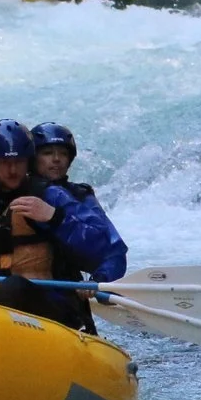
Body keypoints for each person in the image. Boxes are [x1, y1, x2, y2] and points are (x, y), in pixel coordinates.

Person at [0, 119, 119, 332]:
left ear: (28, 162)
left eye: (19, 162)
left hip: (53, 308)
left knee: (12, 287)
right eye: (4, 162)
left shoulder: (52, 196)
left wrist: (55, 218)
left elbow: (103, 249)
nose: (12, 170)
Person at [29, 121, 128, 283]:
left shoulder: (81, 196)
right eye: (47, 153)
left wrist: (99, 279)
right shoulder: (5, 189)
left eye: (63, 154)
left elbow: (114, 250)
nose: (56, 159)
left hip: (62, 289)